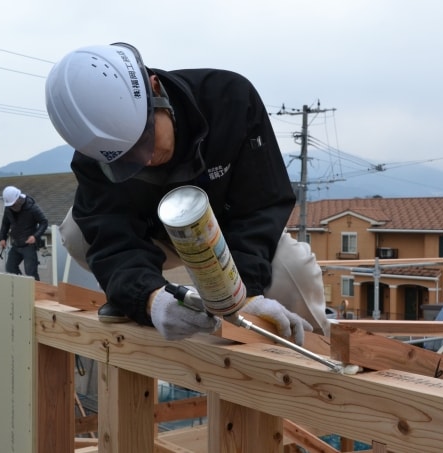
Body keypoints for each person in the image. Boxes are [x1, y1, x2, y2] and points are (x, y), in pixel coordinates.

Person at [45, 42, 329, 346]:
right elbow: (111, 238)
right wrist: (149, 299)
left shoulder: (230, 101)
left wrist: (243, 292)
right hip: (153, 235)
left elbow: (260, 207)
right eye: (128, 159)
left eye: (146, 139)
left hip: (228, 234)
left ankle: (321, 359)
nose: (147, 158)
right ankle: (128, 296)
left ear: (156, 90)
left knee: (293, 268)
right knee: (77, 232)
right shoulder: (95, 157)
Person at [0, 185, 48, 281]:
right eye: (10, 205)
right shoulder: (8, 208)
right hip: (16, 244)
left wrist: (35, 236)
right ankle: (20, 288)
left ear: (18, 199)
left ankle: (36, 293)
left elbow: (44, 222)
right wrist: (2, 238)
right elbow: (5, 224)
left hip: (29, 245)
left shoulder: (32, 208)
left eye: (13, 205)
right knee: (10, 268)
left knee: (31, 273)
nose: (12, 207)